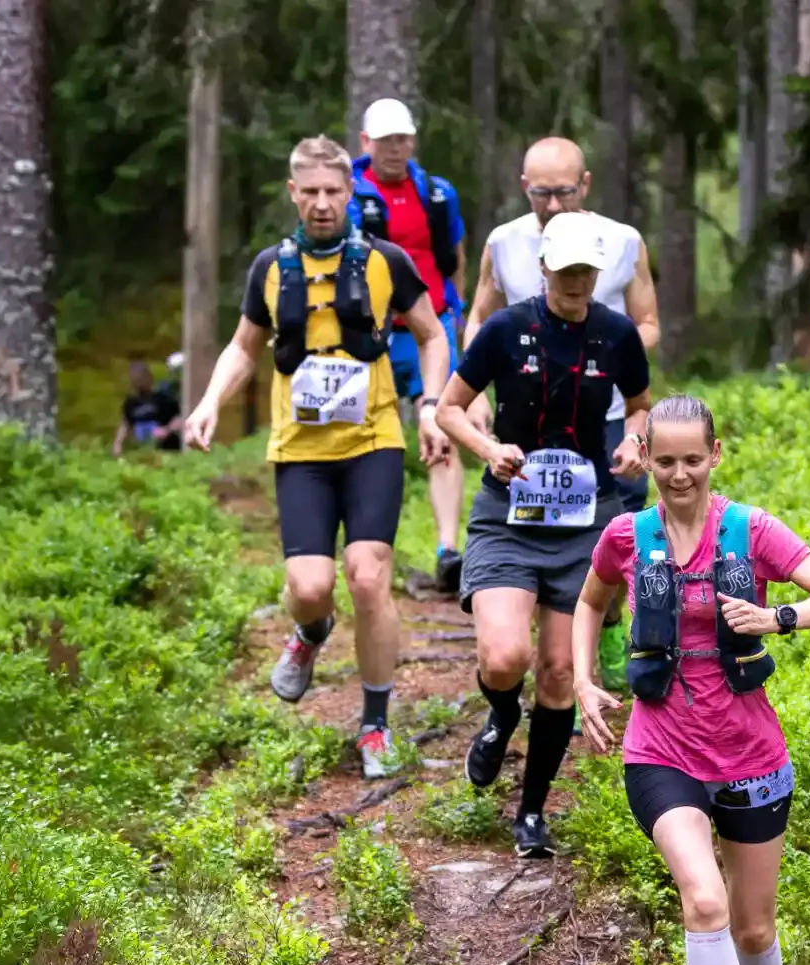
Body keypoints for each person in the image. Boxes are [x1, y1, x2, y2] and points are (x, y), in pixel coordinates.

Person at [571, 394, 810, 965]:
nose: (677, 475)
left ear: (715, 455)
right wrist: (582, 680)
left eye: (691, 460)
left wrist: (777, 617)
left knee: (755, 928)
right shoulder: (626, 535)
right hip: (660, 748)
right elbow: (588, 603)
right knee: (704, 900)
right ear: (645, 453)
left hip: (749, 751)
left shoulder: (751, 530)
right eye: (664, 460)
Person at [182, 135, 452, 779]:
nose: (325, 204)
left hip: (372, 441)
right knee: (311, 588)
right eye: (313, 193)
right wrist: (210, 400)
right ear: (294, 193)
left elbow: (435, 333)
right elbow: (244, 348)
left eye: (336, 192)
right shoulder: (270, 268)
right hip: (300, 449)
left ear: (349, 193)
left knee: (368, 575)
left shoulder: (385, 261)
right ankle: (308, 632)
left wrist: (432, 403)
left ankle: (375, 725)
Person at [434, 212, 650, 859]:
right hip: (510, 514)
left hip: (586, 520)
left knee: (559, 670)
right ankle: (501, 715)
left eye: (588, 271)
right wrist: (487, 446)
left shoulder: (617, 336)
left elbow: (639, 404)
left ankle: (531, 812)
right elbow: (449, 408)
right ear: (545, 270)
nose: (578, 283)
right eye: (567, 271)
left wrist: (636, 440)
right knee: (506, 659)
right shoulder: (505, 329)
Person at [466, 137, 660, 694]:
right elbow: (481, 319)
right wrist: (478, 392)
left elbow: (647, 321)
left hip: (607, 409)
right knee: (535, 527)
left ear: (587, 184)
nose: (551, 204)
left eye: (564, 192)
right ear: (523, 185)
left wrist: (598, 348)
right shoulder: (504, 241)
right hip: (529, 414)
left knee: (616, 533)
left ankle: (606, 633)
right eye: (540, 192)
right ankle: (557, 660)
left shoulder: (623, 242)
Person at [349, 98, 469, 596]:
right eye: (385, 140)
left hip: (431, 330)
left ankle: (447, 549)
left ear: (413, 141)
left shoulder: (437, 193)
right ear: (366, 143)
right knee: (365, 438)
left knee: (442, 426)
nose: (395, 149)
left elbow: (453, 254)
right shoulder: (349, 194)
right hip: (371, 335)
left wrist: (455, 313)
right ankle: (365, 546)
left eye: (402, 139)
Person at [113, 353, 185, 455]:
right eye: (135, 377)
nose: (137, 381)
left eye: (140, 377)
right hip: (142, 451)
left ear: (148, 377)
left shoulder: (163, 398)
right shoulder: (131, 403)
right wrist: (118, 444)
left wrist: (167, 430)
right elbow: (126, 423)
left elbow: (180, 418)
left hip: (166, 450)